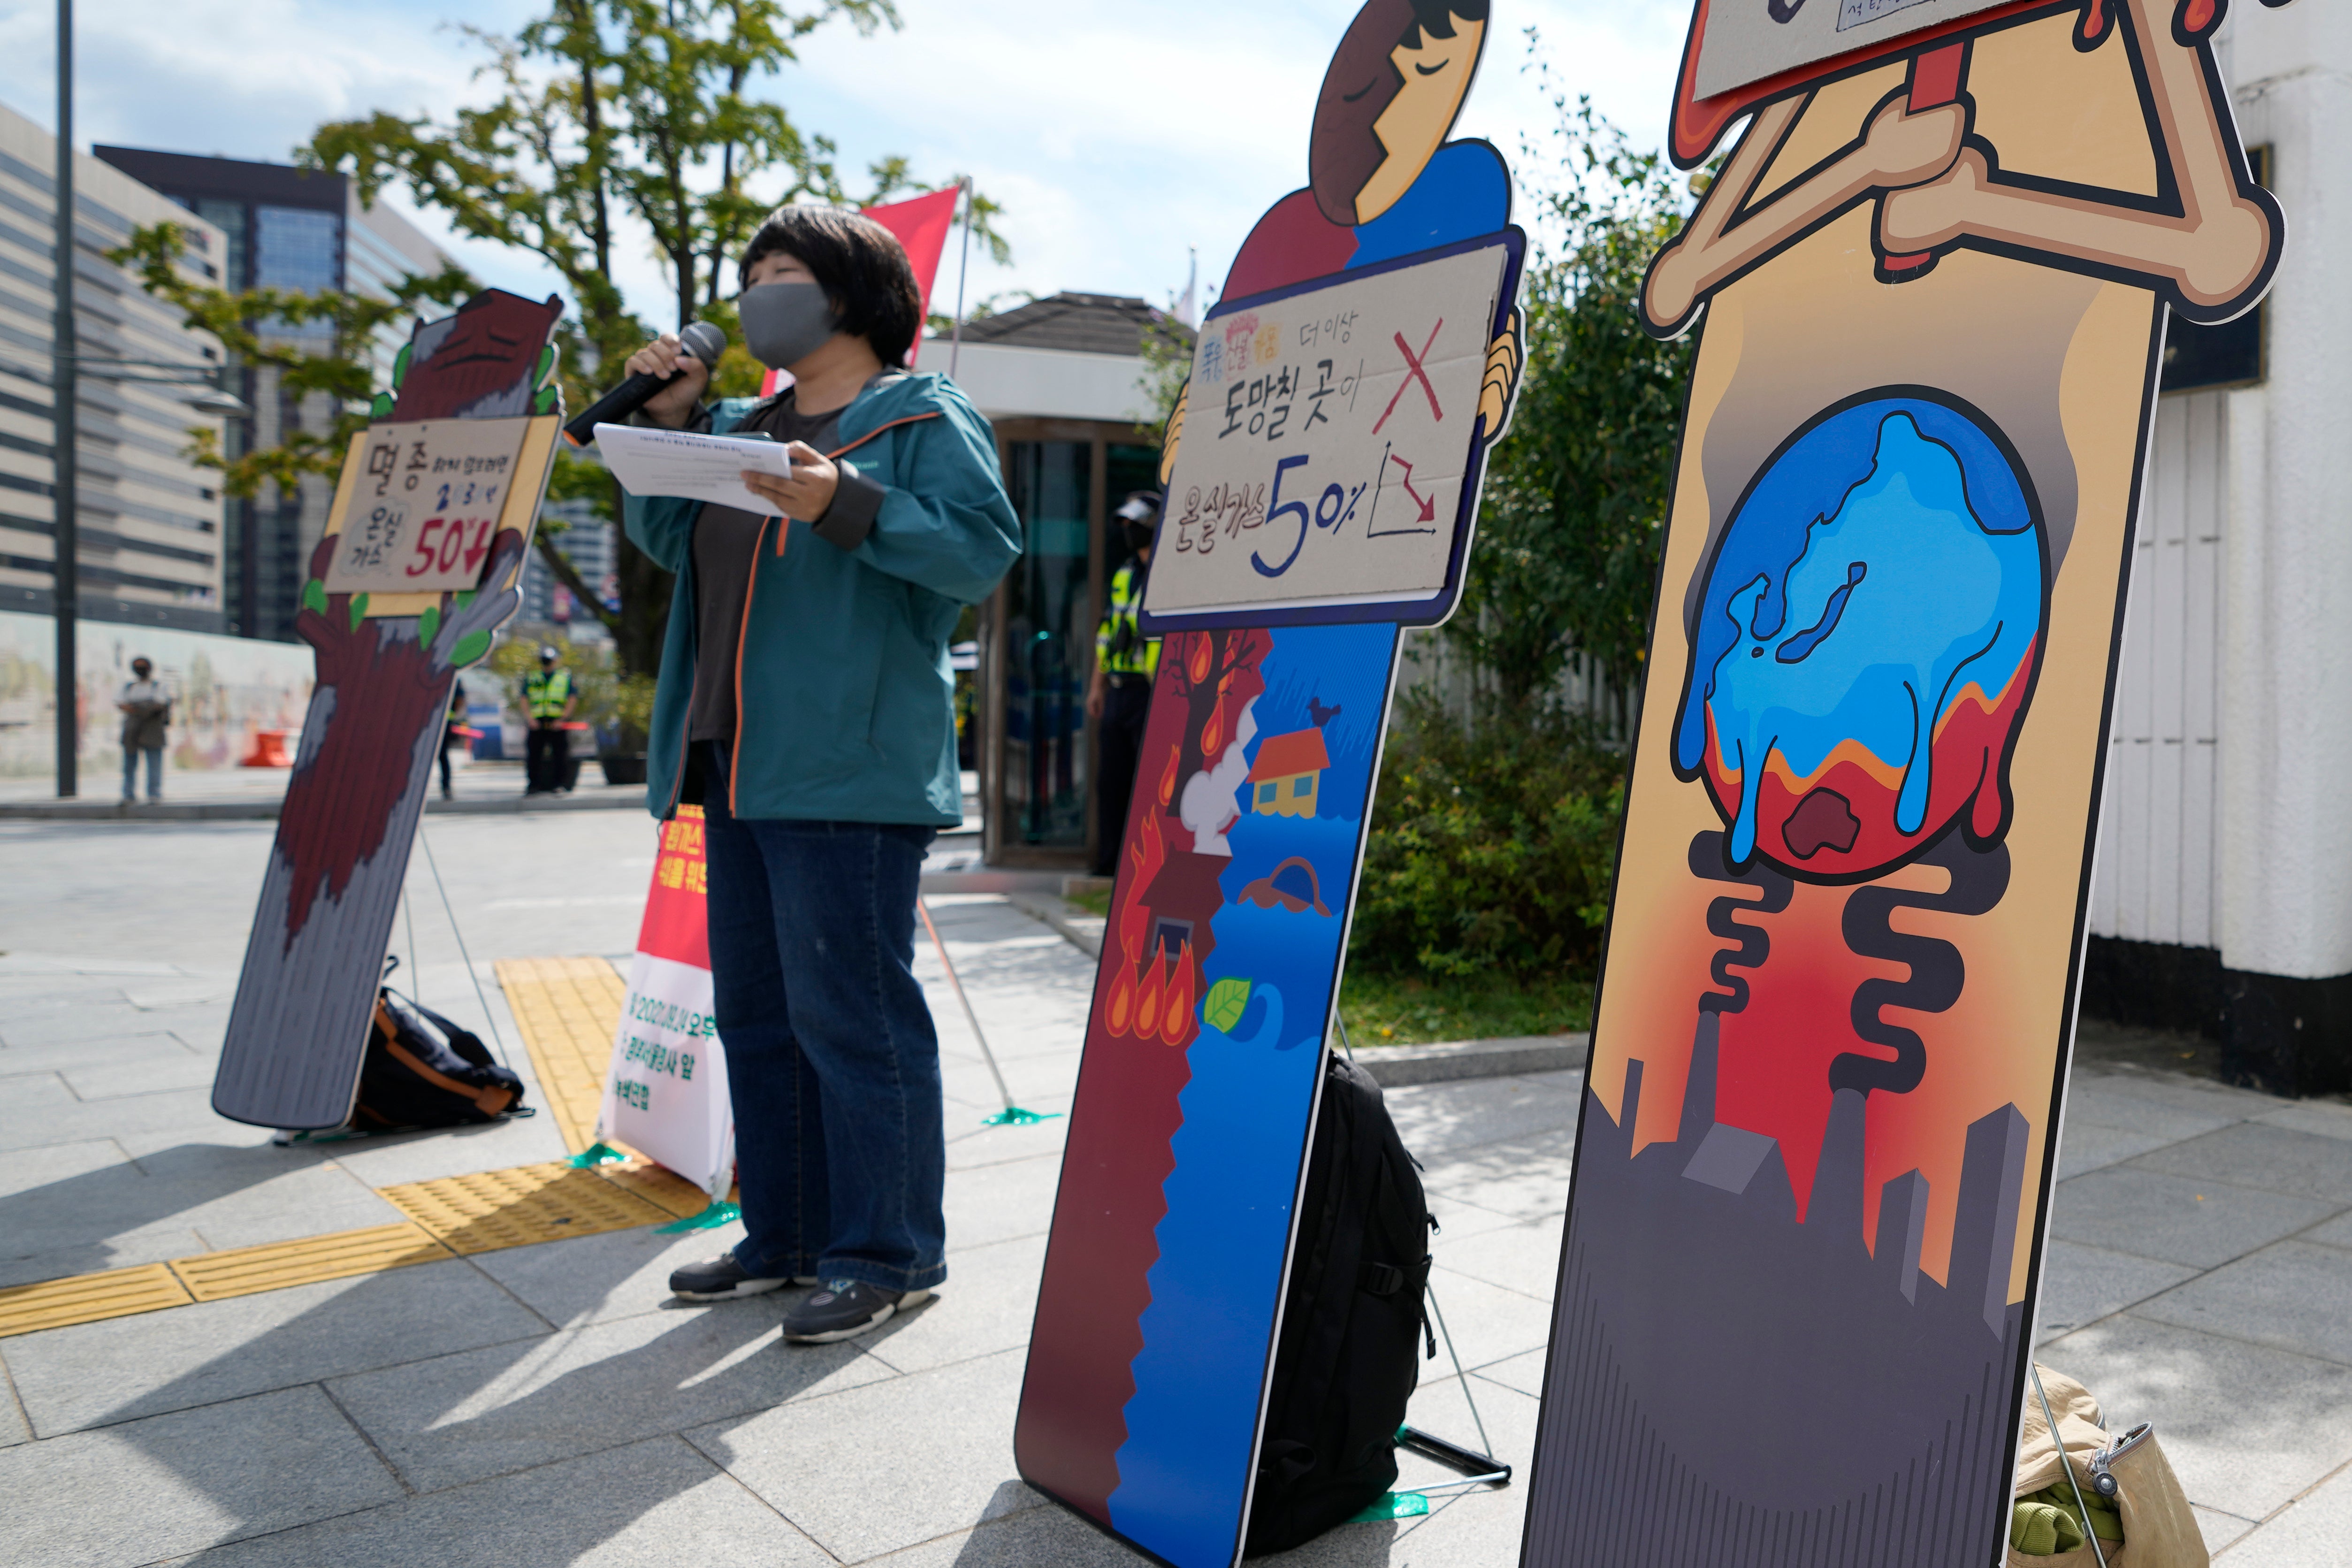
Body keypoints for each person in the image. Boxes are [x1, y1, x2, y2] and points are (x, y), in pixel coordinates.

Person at [618, 205, 1020, 1344]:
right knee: (756, 1011)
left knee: (853, 1016)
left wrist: (841, 499)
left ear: (852, 292)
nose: (757, 295)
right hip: (731, 758)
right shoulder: (741, 421)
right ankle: (785, 1234)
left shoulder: (919, 416)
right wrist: (670, 422)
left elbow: (979, 549)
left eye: (782, 273)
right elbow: (672, 543)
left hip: (848, 768)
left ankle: (889, 1251)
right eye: (749, 277)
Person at [1085, 491, 1162, 876]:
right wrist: (1096, 687)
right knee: (1110, 782)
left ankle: (1140, 865)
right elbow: (1107, 632)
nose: (1129, 531)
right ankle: (1108, 864)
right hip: (1117, 690)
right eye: (1126, 525)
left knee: (1145, 782)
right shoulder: (1124, 573)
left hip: (1152, 690)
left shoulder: (1168, 574)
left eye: (1137, 525)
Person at [521, 647, 574, 795]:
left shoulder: (564, 677)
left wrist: (563, 719)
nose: (547, 664)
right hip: (537, 722)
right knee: (534, 755)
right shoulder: (533, 677)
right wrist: (530, 718)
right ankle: (533, 785)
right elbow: (524, 698)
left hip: (556, 723)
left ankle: (559, 784)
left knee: (560, 755)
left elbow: (572, 699)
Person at [116, 657, 168, 803]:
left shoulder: (158, 686)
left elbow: (160, 704)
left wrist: (136, 709)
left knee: (154, 763)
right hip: (132, 729)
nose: (140, 670)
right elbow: (121, 704)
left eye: (143, 667)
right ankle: (128, 794)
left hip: (152, 728)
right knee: (129, 764)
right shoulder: (129, 687)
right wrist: (144, 708)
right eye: (137, 667)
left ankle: (154, 793)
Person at [439, 678, 468, 801]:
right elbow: (461, 700)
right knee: (442, 756)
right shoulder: (452, 676)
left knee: (442, 755)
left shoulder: (452, 677)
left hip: (442, 723)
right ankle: (446, 788)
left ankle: (446, 787)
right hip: (443, 722)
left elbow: (460, 700)